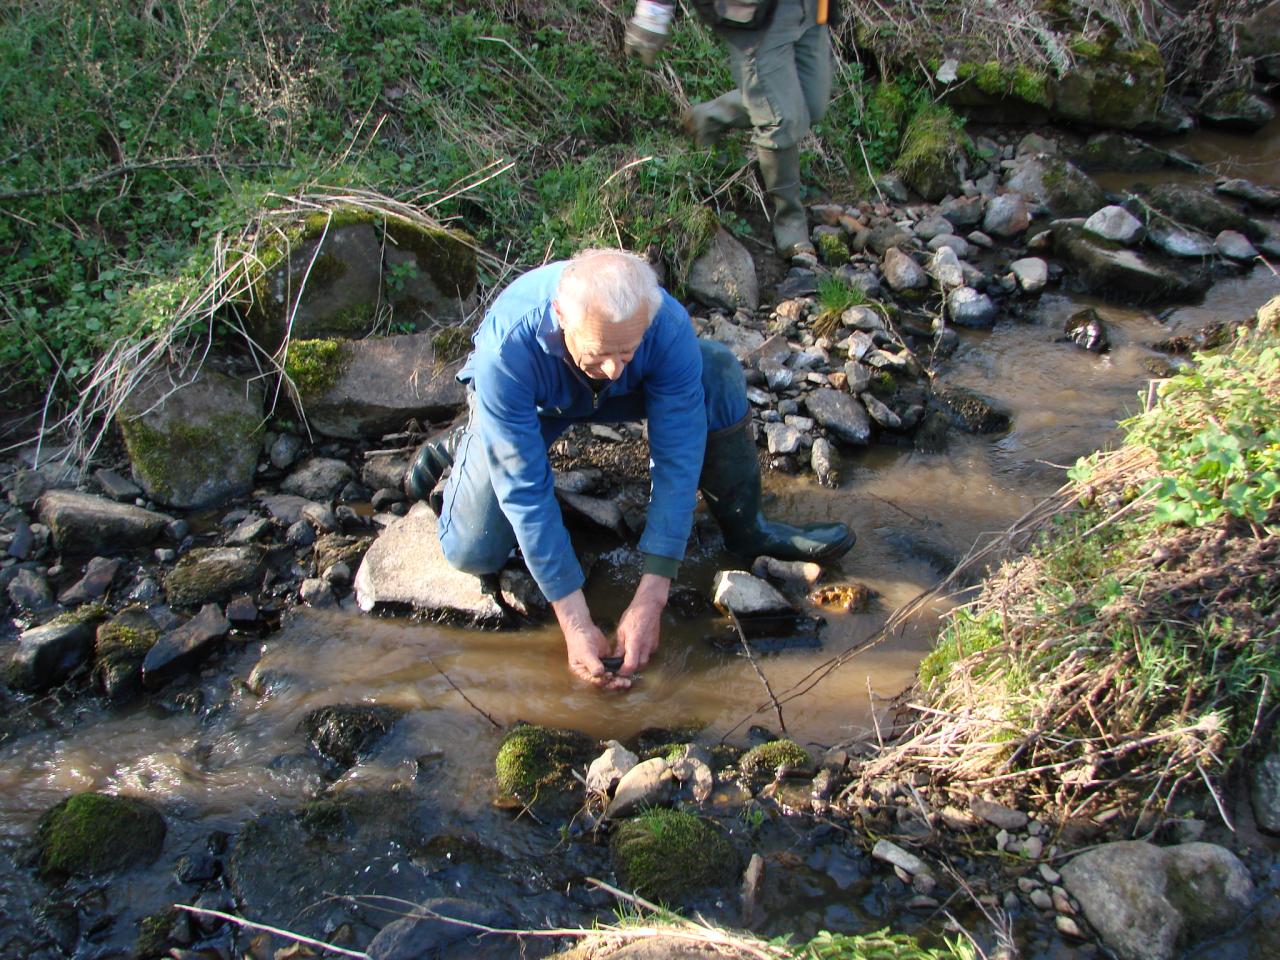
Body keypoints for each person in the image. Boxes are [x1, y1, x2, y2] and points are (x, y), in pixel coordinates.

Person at [406, 249, 855, 689]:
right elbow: (524, 489)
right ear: (561, 315)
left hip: (623, 399)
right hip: (535, 402)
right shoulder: (507, 349)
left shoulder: (664, 323)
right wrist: (575, 619)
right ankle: (470, 441)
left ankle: (748, 528)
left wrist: (652, 595)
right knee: (473, 553)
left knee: (715, 370)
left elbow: (677, 460)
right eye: (599, 350)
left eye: (626, 350)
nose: (612, 369)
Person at [625, 0, 836, 263]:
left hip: (810, 8)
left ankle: (712, 116)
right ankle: (790, 220)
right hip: (756, 14)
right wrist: (652, 14)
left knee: (811, 106)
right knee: (780, 121)